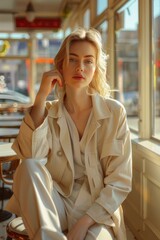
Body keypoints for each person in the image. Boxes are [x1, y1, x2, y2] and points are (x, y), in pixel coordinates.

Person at [6, 27, 132, 240]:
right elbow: (30, 156)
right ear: (61, 65)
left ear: (95, 69)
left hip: (98, 208)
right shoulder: (47, 112)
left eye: (88, 61)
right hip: (56, 204)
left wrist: (84, 222)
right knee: (27, 166)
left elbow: (120, 182)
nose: (80, 67)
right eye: (73, 59)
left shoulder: (114, 112)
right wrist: (41, 96)